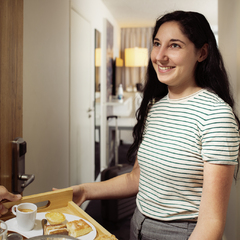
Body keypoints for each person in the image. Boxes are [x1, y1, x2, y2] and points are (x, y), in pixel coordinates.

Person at [61, 11, 240, 239]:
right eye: (157, 44)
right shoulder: (155, 107)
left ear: (202, 53)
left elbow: (212, 222)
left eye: (174, 45)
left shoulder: (216, 115)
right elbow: (136, 177)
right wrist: (85, 190)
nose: (160, 56)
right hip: (138, 225)